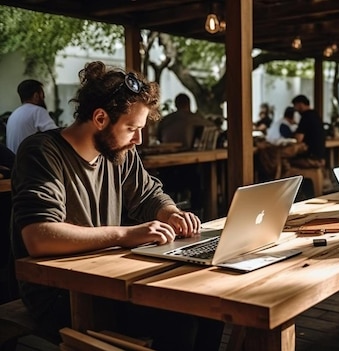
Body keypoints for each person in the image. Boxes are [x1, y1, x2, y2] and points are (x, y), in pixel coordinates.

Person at [10, 61, 223, 350]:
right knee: (181, 321)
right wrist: (126, 234)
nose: (138, 140)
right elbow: (39, 237)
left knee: (209, 308)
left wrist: (171, 213)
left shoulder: (118, 152)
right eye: (132, 128)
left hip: (108, 278)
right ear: (100, 118)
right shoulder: (41, 152)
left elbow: (149, 195)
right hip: (59, 292)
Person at [6, 79, 58, 153]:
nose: (44, 98)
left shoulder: (13, 114)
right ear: (36, 96)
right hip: (29, 162)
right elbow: (56, 136)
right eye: (42, 95)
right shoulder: (37, 111)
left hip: (15, 162)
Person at [289, 94, 326, 168]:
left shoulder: (305, 117)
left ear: (300, 104)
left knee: (284, 159)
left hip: (310, 157)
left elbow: (299, 139)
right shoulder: (315, 115)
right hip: (320, 156)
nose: (295, 109)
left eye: (295, 106)